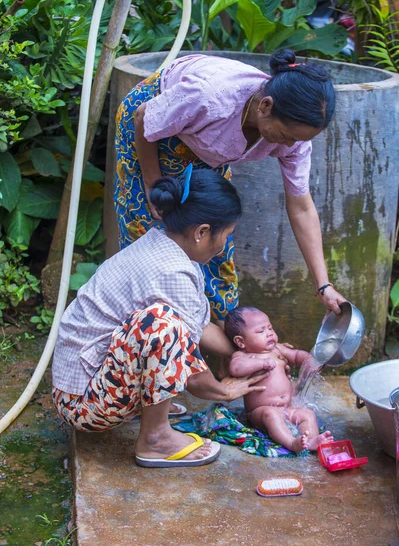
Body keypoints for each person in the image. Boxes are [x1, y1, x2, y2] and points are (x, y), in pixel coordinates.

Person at [52, 169, 269, 468]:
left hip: (91, 384)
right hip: (84, 405)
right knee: (160, 323)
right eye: (226, 236)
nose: (223, 247)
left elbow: (198, 326)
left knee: (166, 323)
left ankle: (147, 413)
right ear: (201, 231)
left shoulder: (162, 244)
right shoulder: (171, 271)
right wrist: (224, 390)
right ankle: (155, 439)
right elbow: (190, 371)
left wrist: (257, 352)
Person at [114, 49, 347, 324]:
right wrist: (153, 184)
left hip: (207, 144)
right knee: (149, 227)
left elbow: (301, 207)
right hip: (152, 127)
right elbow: (145, 118)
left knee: (215, 237)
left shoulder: (294, 139)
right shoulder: (210, 97)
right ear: (265, 106)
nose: (289, 146)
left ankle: (224, 342)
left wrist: (323, 285)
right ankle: (149, 329)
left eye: (297, 140)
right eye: (285, 136)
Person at [225, 306, 334, 453]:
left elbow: (295, 356)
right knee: (271, 414)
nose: (269, 333)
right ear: (241, 342)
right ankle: (291, 443)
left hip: (286, 408)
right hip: (260, 412)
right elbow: (236, 368)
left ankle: (311, 440)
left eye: (270, 328)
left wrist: (313, 361)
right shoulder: (243, 356)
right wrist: (261, 363)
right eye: (261, 331)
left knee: (307, 413)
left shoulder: (277, 349)